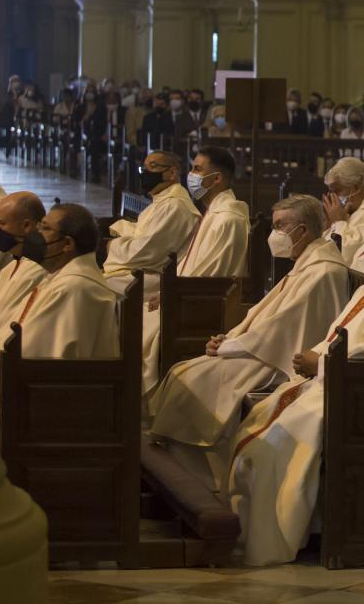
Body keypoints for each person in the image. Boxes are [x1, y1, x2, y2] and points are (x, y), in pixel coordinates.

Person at [226, 216, 364, 565]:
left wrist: (320, 363)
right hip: (343, 385)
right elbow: (341, 339)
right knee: (261, 423)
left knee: (277, 441)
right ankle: (275, 526)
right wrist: (315, 359)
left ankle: (274, 535)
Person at [148, 195, 349, 490]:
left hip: (279, 359)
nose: (274, 234)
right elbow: (264, 315)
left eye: (280, 226)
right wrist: (229, 338)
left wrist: (229, 346)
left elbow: (283, 328)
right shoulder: (307, 263)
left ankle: (203, 478)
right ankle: (188, 469)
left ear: (303, 230)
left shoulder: (324, 270)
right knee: (185, 373)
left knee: (191, 378)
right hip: (264, 348)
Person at [140, 147, 253, 395]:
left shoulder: (228, 219)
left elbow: (210, 274)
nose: (190, 175)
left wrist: (169, 294)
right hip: (188, 297)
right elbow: (193, 264)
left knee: (140, 327)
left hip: (203, 307)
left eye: (197, 169)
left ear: (217, 178)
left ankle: (147, 397)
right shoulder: (213, 211)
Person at [0, 203, 119, 415]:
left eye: (45, 228)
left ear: (67, 244)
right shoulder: (62, 279)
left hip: (50, 407)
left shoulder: (73, 289)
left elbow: (34, 352)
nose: (35, 234)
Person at [102, 151, 201, 297]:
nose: (146, 172)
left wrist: (111, 247)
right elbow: (142, 232)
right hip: (146, 271)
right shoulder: (162, 200)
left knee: (93, 284)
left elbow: (146, 252)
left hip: (158, 278)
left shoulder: (175, 206)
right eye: (144, 168)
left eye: (153, 166)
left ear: (172, 173)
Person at [0, 193, 48, 345]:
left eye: (2, 223)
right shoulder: (10, 267)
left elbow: (6, 324)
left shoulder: (36, 271)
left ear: (26, 226)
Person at [320, 156, 364, 259]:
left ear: (356, 187)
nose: (333, 198)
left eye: (337, 191)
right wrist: (328, 225)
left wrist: (338, 222)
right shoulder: (349, 209)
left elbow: (346, 255)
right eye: (331, 192)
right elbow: (322, 247)